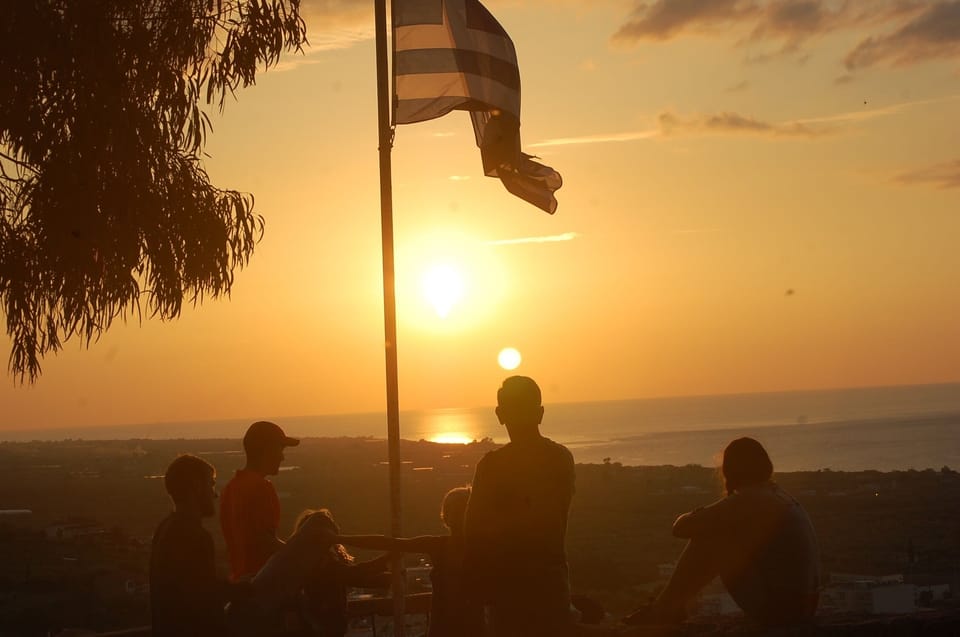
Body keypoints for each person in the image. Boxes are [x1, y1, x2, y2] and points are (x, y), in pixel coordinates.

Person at [624, 437, 820, 629]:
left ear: (731, 470)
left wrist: (700, 514)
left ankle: (665, 609)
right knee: (717, 533)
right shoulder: (777, 495)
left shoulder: (751, 498)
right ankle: (668, 607)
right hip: (801, 607)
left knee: (713, 537)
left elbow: (681, 528)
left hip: (781, 611)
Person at [464, 376, 576, 637]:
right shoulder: (560, 458)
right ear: (540, 413)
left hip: (507, 588)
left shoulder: (491, 466)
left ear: (500, 414)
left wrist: (475, 586)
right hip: (550, 583)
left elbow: (473, 531)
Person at [337, 487, 484, 637]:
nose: (458, 516)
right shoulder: (470, 548)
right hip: (453, 626)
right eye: (456, 511)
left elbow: (389, 543)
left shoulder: (447, 547)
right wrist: (340, 539)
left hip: (456, 626)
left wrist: (339, 539)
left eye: (461, 510)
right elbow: (388, 543)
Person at [150, 454, 248, 636]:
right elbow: (204, 598)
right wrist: (245, 590)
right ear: (196, 486)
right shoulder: (194, 535)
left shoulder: (165, 529)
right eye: (211, 485)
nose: (215, 494)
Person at [220, 420, 300, 581]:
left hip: (240, 580)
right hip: (262, 581)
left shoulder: (231, 488)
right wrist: (301, 557)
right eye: (280, 449)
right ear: (267, 450)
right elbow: (265, 541)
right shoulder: (261, 487)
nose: (282, 457)